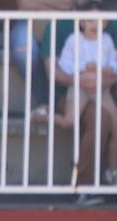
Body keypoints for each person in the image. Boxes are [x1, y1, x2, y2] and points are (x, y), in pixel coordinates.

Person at [53, 1, 117, 201]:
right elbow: (63, 63)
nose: (94, 24)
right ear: (80, 22)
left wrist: (108, 69)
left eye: (98, 20)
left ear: (105, 23)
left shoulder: (106, 40)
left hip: (101, 91)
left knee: (115, 124)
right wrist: (82, 70)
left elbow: (114, 60)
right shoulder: (74, 40)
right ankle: (45, 115)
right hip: (79, 89)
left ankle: (112, 170)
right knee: (69, 121)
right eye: (89, 19)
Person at [12, 0, 74, 120]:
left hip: (65, 20)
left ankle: (66, 103)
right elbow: (24, 4)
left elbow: (68, 4)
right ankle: (46, 102)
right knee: (24, 52)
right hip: (28, 20)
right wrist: (58, 6)